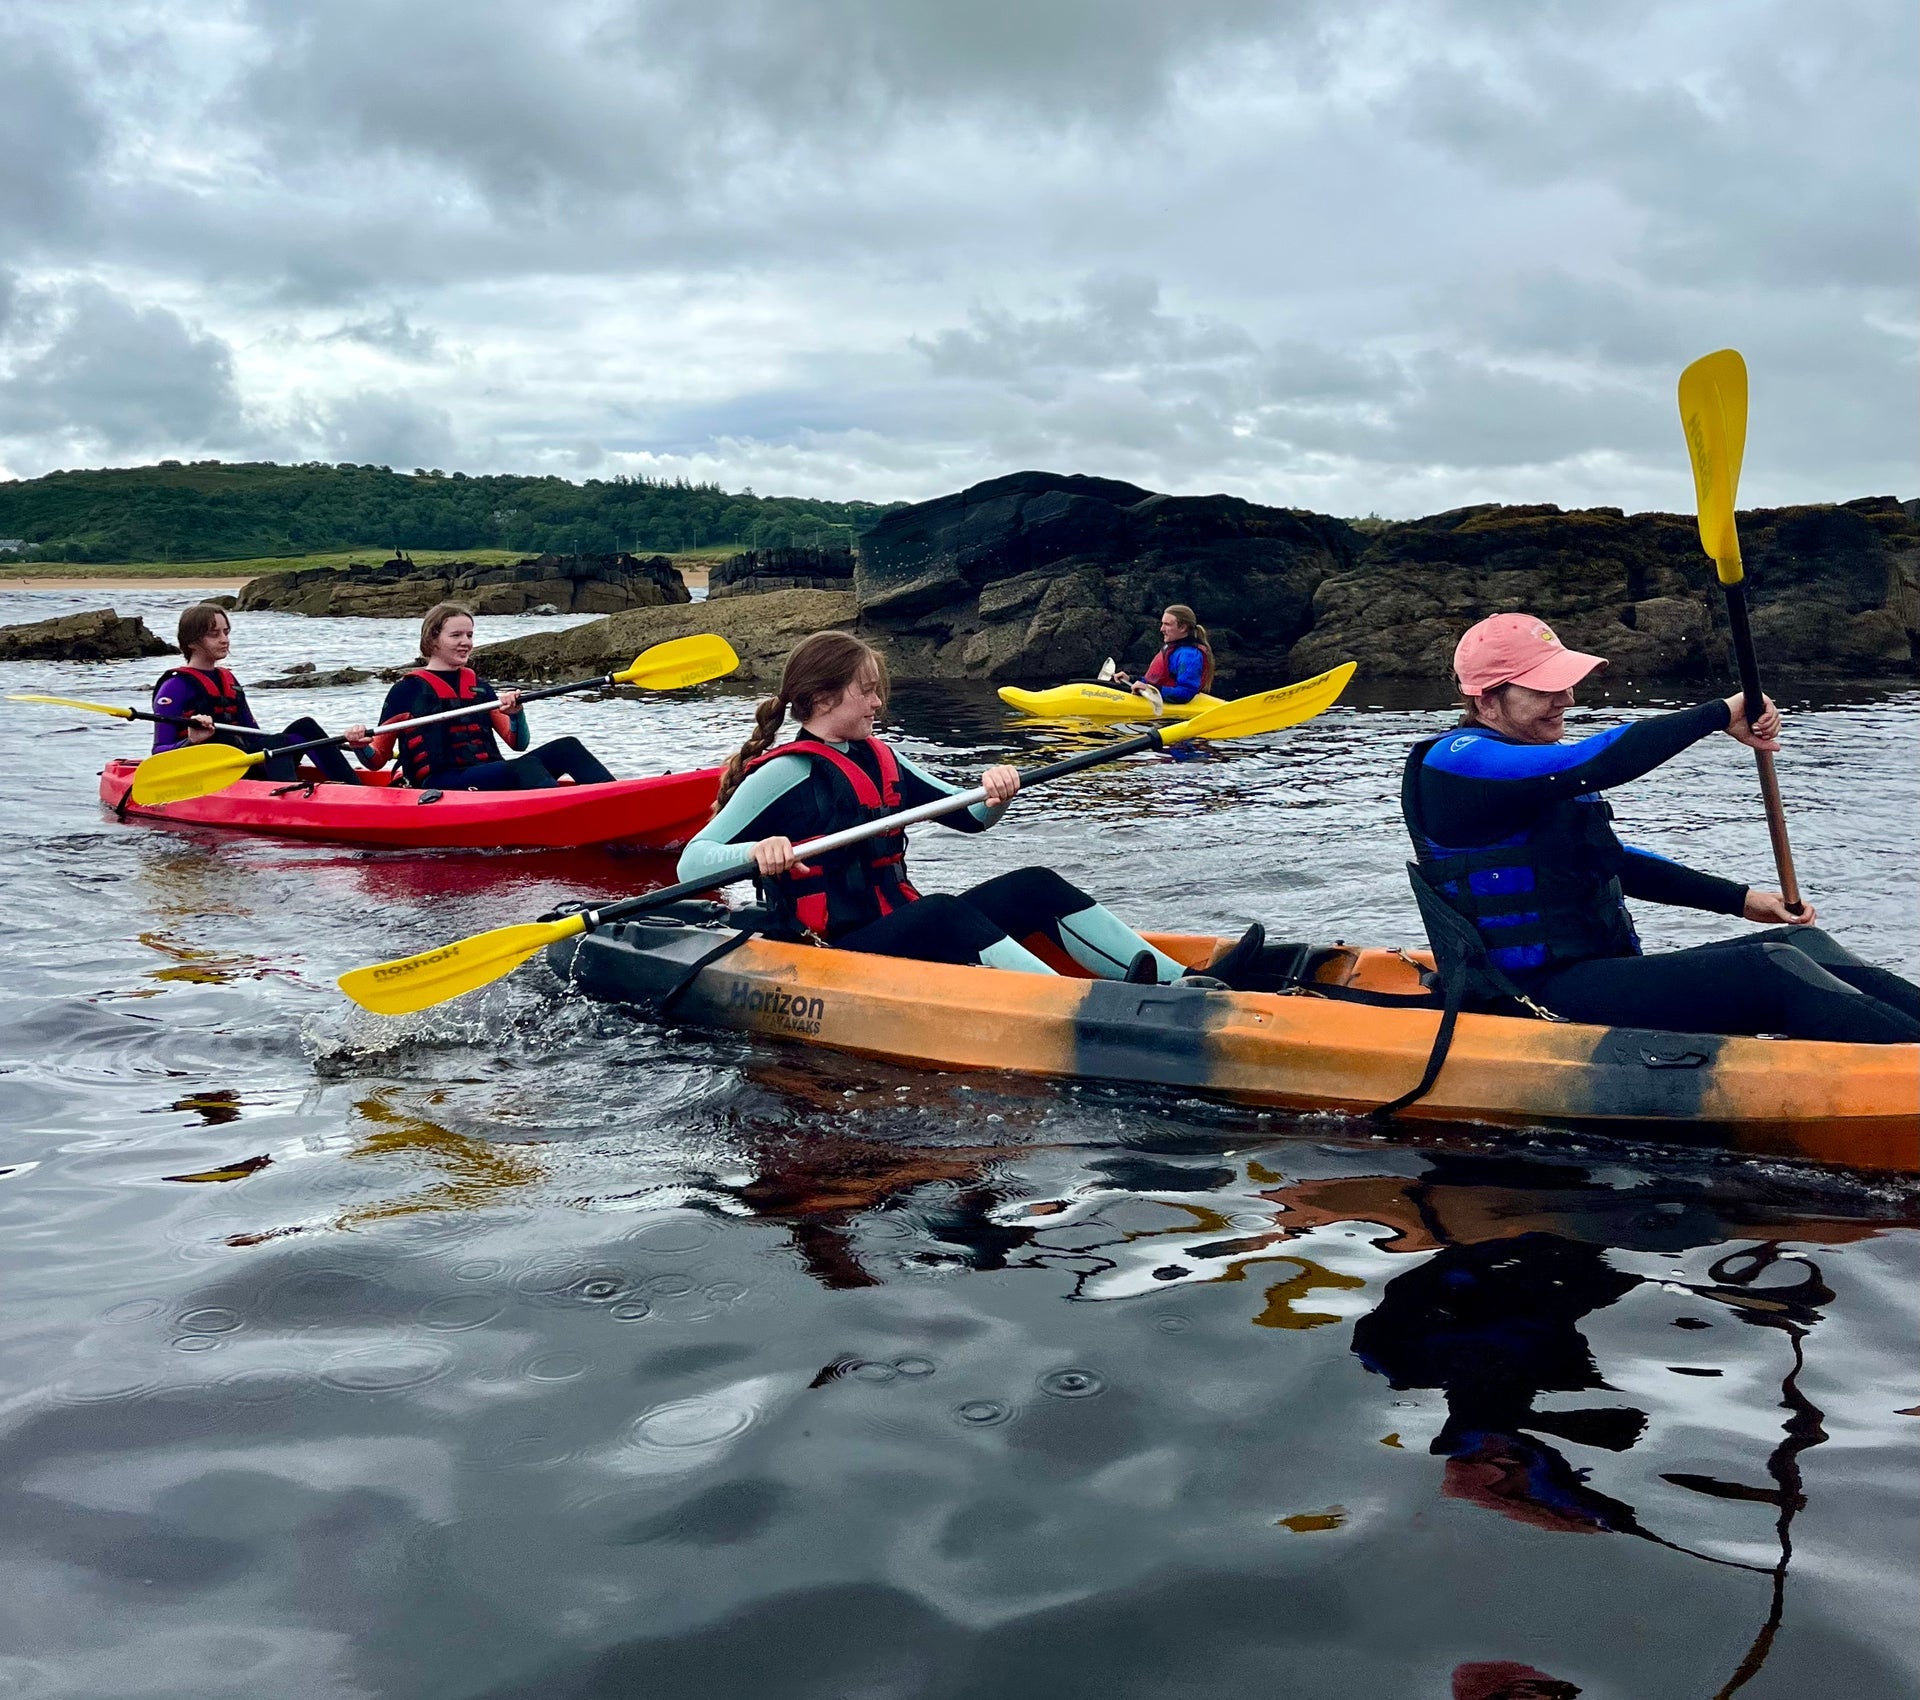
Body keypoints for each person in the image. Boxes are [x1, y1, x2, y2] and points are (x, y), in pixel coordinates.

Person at [1402, 611, 1920, 1044]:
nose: (1567, 700)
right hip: (1522, 992)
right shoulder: (1457, 762)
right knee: (1771, 970)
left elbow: (1616, 863)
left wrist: (1741, 900)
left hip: (1594, 972)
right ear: (1486, 700)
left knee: (1805, 944)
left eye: (1566, 684)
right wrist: (1720, 713)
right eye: (1545, 689)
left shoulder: (1535, 765)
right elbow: (1601, 761)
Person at [678, 631, 1265, 983]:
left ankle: (1187, 983)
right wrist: (758, 852)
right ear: (822, 697)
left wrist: (996, 793)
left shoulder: (882, 758)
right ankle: (1076, 1004)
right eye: (867, 691)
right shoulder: (783, 773)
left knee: (1034, 885)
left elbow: (968, 816)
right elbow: (692, 862)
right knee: (941, 913)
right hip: (829, 951)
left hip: (895, 927)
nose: (878, 703)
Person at [361, 602, 615, 791]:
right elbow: (377, 760)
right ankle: (562, 816)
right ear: (432, 640)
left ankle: (615, 802)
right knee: (525, 766)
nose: (466, 642)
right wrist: (359, 745)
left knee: (567, 747)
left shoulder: (479, 687)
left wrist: (516, 715)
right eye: (456, 635)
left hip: (486, 776)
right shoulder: (407, 691)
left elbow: (518, 744)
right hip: (439, 784)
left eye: (469, 635)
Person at [152, 603, 368, 784]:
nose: (224, 639)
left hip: (246, 764)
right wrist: (191, 741)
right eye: (214, 634)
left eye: (226, 632)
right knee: (273, 743)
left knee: (305, 727)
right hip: (213, 771)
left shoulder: (228, 679)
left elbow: (253, 734)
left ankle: (356, 790)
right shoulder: (174, 686)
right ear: (191, 642)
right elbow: (159, 752)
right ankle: (287, 800)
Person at [1111, 604, 1214, 704]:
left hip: (1172, 709)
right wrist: (1130, 679)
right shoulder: (1172, 648)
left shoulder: (1190, 655)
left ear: (1183, 628)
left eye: (1167, 624)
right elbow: (1153, 681)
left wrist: (1150, 690)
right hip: (1156, 701)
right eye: (1162, 624)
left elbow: (1185, 693)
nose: (1162, 629)